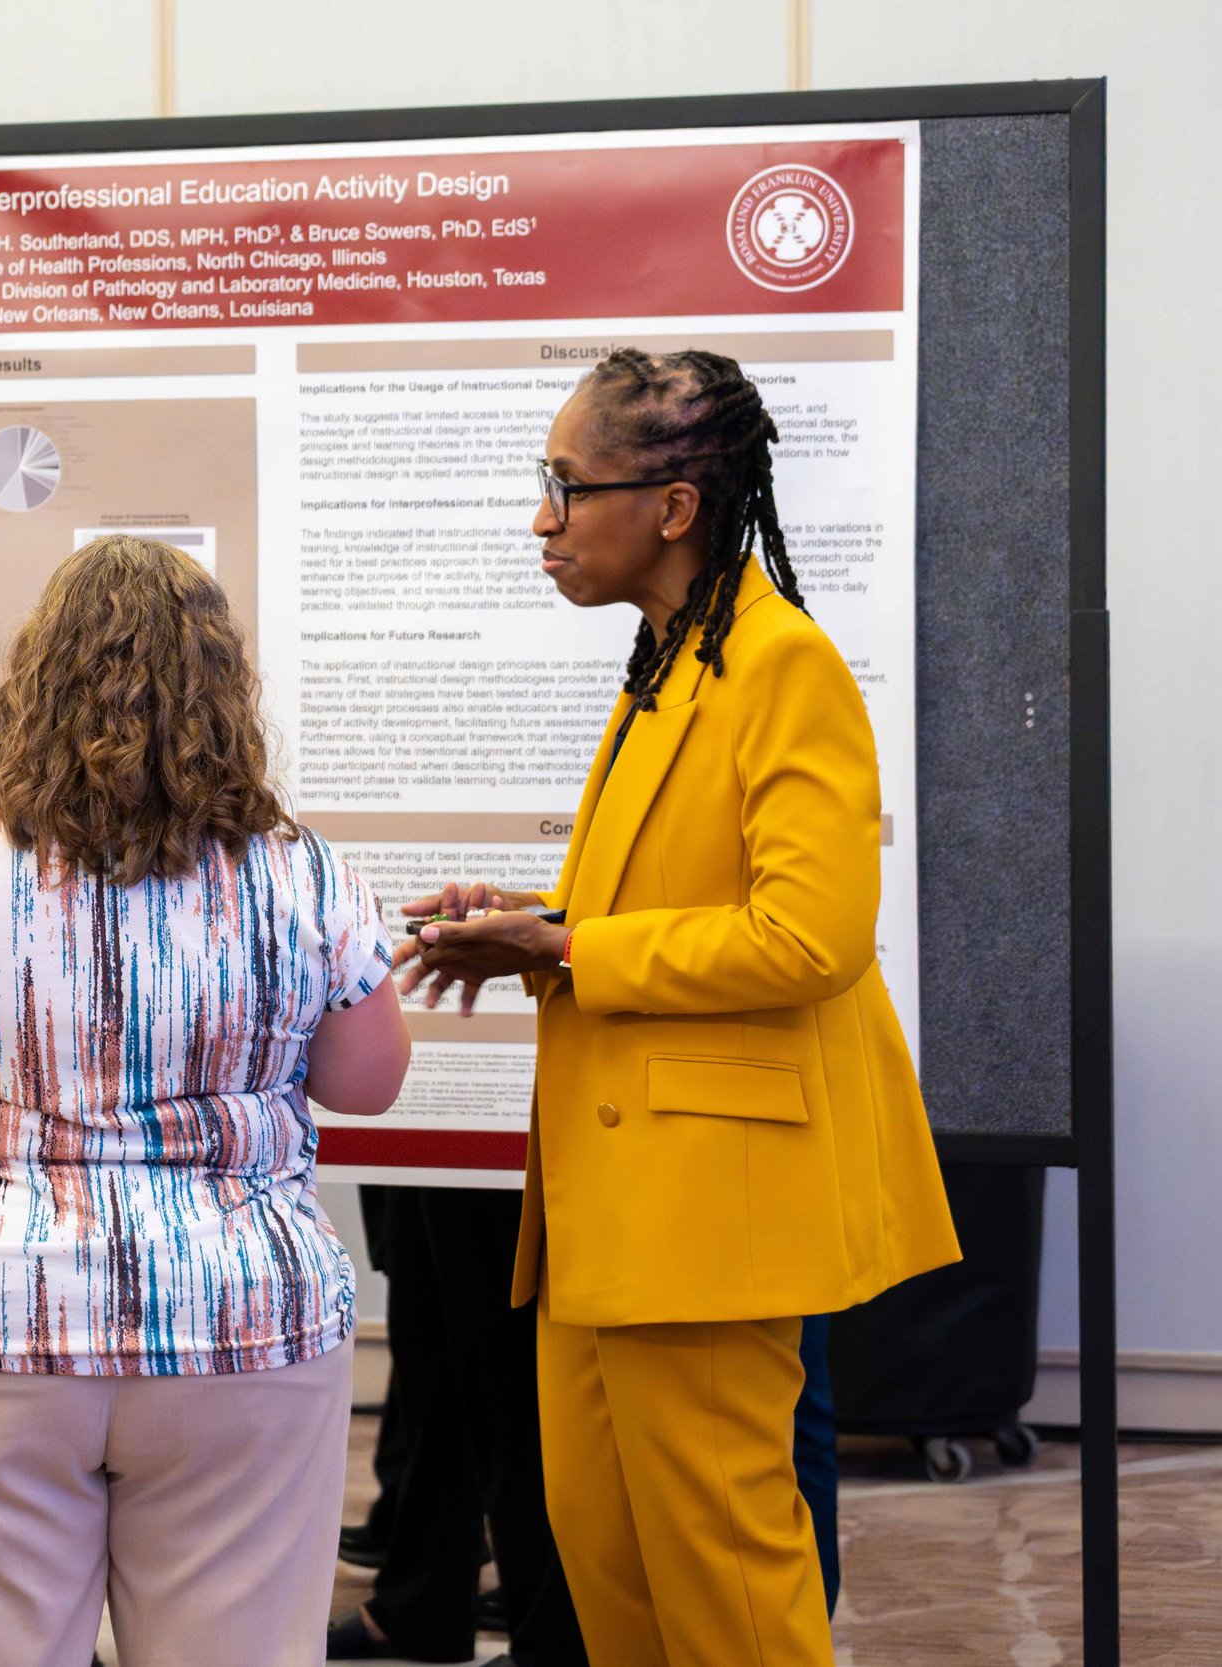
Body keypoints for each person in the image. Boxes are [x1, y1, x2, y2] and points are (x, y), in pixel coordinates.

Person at [394, 349, 959, 1667]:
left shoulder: (781, 664)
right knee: (616, 1575)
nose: (543, 519)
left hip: (712, 1213)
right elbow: (662, 901)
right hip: (612, 1212)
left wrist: (574, 942)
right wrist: (529, 928)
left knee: (727, 1593)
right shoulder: (668, 660)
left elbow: (811, 936)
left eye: (566, 485)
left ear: (672, 505)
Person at [0, 536, 412, 1667]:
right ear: (223, 690)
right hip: (239, 1321)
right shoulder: (299, 872)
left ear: (32, 676)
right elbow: (366, 1082)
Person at [329, 1185, 585, 1667]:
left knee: (512, 1383)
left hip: (509, 1130)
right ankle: (421, 1602)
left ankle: (552, 1642)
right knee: (428, 1352)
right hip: (425, 1124)